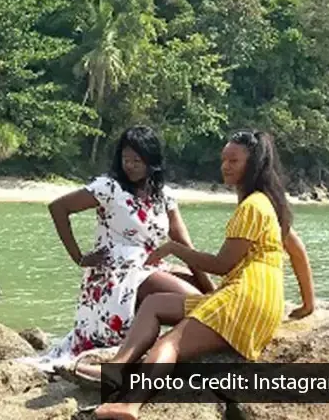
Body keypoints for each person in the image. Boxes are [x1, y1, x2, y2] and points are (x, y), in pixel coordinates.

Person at [73, 130, 316, 420]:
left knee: (170, 344)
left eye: (234, 160)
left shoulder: (252, 207)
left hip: (244, 299)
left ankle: (129, 405)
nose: (225, 165)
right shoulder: (269, 204)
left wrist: (175, 249)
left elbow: (222, 264)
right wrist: (308, 304)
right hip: (257, 298)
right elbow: (297, 251)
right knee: (154, 305)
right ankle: (115, 368)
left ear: (253, 165)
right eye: (224, 159)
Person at [38, 126, 215, 368]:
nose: (129, 165)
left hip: (150, 266)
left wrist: (212, 290)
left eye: (137, 160)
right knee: (194, 302)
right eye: (125, 159)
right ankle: (154, 352)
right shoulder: (109, 188)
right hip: (118, 274)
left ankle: (161, 346)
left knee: (208, 300)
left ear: (151, 160)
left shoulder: (164, 196)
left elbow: (185, 245)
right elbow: (58, 207)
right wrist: (78, 257)